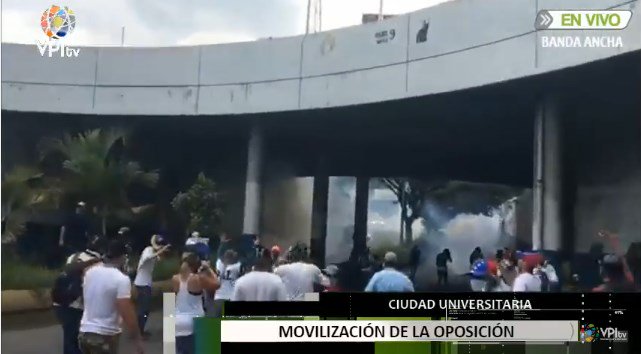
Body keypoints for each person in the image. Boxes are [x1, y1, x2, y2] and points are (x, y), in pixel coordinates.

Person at [78, 240, 144, 354]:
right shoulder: (121, 279)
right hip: (104, 335)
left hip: (85, 332)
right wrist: (137, 339)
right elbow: (126, 310)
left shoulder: (89, 272)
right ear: (123, 257)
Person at [53, 236, 106, 354]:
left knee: (69, 338)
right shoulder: (99, 265)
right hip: (77, 305)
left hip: (60, 301)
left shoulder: (73, 256)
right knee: (79, 341)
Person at [173, 254, 220, 354]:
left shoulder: (175, 279)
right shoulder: (198, 279)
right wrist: (208, 269)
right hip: (195, 321)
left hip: (177, 321)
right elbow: (217, 284)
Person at [134, 234, 171, 338]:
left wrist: (162, 252)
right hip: (142, 284)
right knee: (143, 309)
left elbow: (160, 259)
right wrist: (159, 249)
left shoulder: (154, 252)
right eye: (160, 245)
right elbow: (147, 258)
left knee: (145, 309)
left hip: (146, 283)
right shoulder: (148, 250)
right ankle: (139, 332)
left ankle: (139, 330)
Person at [213, 250, 242, 317]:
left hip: (219, 296)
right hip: (231, 297)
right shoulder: (237, 266)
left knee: (217, 322)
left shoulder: (219, 263)